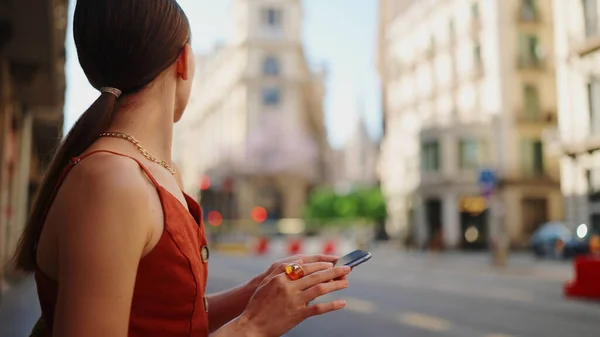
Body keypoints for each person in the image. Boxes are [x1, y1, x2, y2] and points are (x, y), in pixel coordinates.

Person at [11, 1, 351, 336]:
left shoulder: (153, 172)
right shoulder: (112, 180)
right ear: (185, 63)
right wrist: (253, 326)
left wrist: (256, 290)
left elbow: (169, 316)